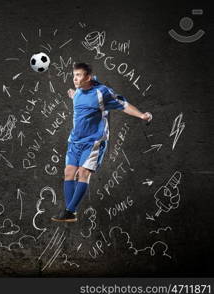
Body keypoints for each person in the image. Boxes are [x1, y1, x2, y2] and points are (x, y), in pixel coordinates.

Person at [51, 62, 152, 222]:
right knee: (69, 173)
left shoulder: (102, 92)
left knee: (83, 173)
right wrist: (73, 95)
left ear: (88, 77)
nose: (75, 79)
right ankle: (70, 213)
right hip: (75, 141)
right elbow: (81, 100)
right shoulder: (77, 92)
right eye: (74, 75)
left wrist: (141, 115)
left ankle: (70, 211)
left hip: (93, 142)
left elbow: (123, 105)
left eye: (78, 75)